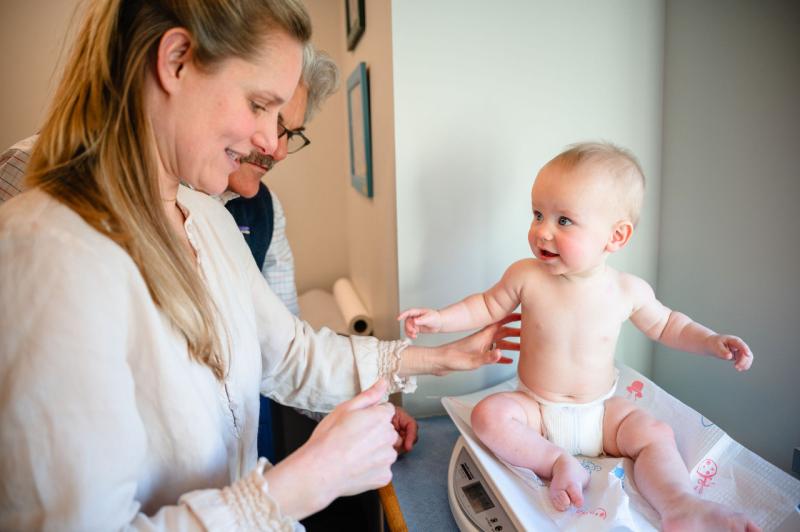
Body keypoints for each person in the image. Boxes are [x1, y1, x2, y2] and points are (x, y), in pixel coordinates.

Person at [0, 1, 518, 530]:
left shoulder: (204, 216)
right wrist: (306, 481)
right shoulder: (43, 250)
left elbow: (289, 354)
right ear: (175, 60)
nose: (272, 143)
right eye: (259, 105)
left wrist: (442, 358)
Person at [0, 46, 419, 463]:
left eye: (290, 132)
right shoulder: (32, 183)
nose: (277, 149)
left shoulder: (259, 213)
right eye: (266, 114)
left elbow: (288, 352)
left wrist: (367, 407)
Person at [399, 142, 759, 531]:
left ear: (616, 237)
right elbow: (485, 306)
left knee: (656, 434)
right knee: (489, 415)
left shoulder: (627, 290)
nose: (542, 232)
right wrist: (439, 318)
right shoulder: (526, 275)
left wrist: (710, 341)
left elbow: (670, 325)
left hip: (602, 414)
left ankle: (680, 504)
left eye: (563, 221)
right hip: (536, 409)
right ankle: (555, 461)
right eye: (537, 215)